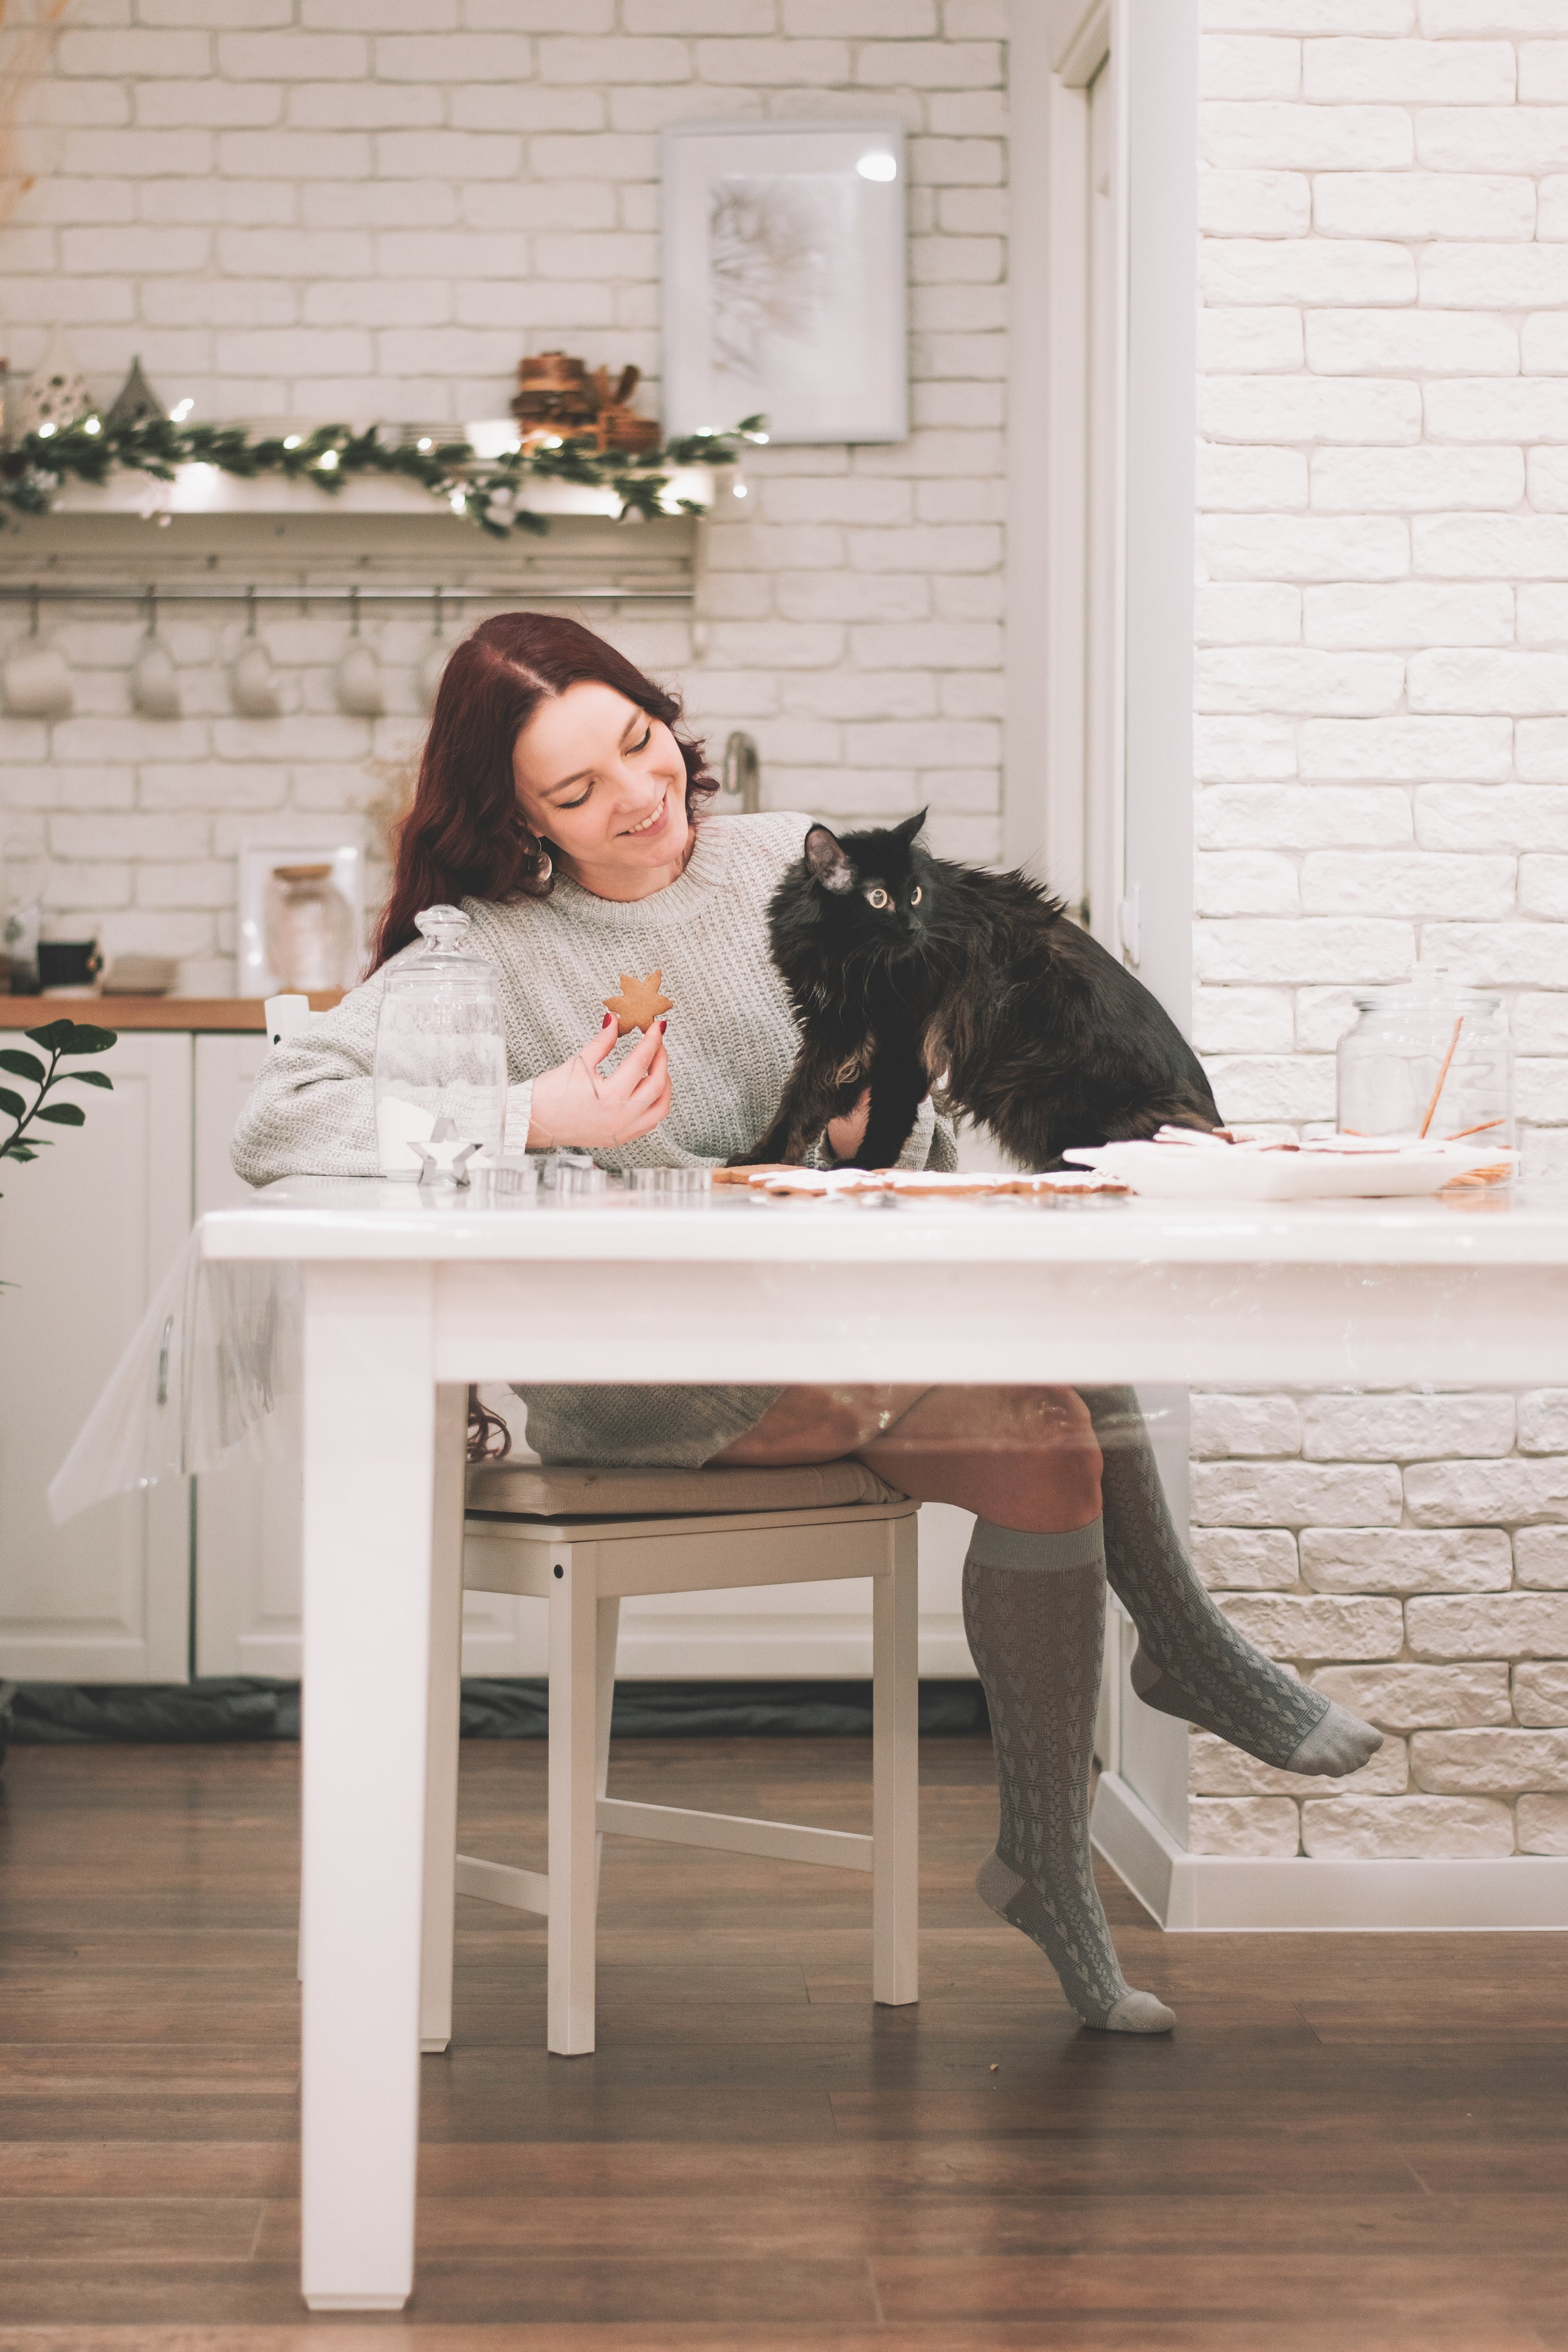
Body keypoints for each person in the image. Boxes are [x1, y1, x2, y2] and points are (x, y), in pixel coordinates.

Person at [235, 612, 1380, 2037]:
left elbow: (947, 1038)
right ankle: (1174, 1658)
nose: (637, 798)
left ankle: (1046, 1857)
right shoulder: (489, 953)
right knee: (1039, 1385)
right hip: (663, 1377)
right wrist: (537, 1112)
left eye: (640, 747)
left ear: (667, 721)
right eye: (576, 794)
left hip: (861, 1321)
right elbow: (277, 1117)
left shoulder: (797, 864)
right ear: (514, 820)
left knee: (1048, 1428)